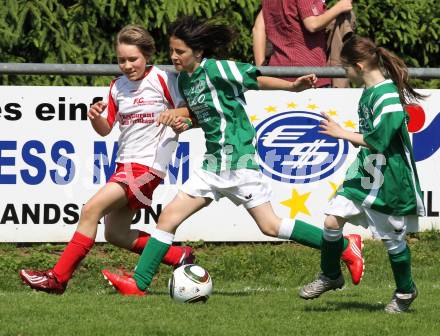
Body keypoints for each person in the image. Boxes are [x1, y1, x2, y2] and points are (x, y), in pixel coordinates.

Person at [102, 16, 365, 297]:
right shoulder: (187, 82)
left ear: (198, 52)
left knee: (271, 226)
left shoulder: (217, 68)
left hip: (239, 162)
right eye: (172, 51)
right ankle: (139, 284)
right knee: (167, 218)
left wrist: (292, 87)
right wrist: (186, 123)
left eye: (180, 51)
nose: (174, 57)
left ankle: (344, 246)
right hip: (214, 164)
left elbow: (254, 77)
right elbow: (208, 117)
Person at [19, 24, 195, 294]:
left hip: (148, 166)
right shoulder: (117, 87)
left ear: (147, 55)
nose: (126, 65)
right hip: (124, 165)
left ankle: (57, 278)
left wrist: (178, 119)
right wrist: (95, 118)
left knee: (90, 210)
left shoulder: (163, 79)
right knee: (115, 233)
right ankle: (177, 256)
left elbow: (189, 110)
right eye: (121, 60)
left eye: (132, 59)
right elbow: (106, 128)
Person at [298, 35, 426, 313]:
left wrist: (340, 132)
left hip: (390, 177)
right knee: (332, 221)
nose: (344, 73)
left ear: (358, 66)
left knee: (393, 239)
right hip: (367, 170)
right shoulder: (369, 92)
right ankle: (331, 275)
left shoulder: (388, 96)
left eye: (346, 68)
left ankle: (406, 291)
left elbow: (380, 140)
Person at [252, 0, 353, 87]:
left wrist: (262, 70)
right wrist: (340, 7)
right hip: (310, 78)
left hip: (276, 77)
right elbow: (312, 24)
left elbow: (258, 28)